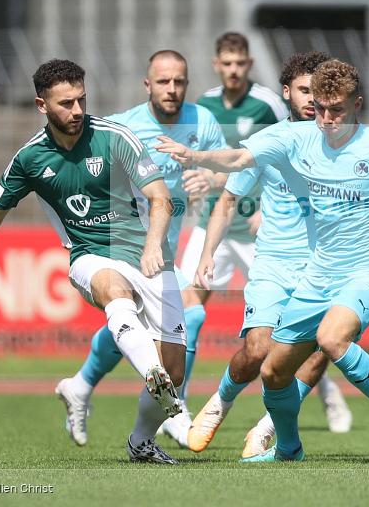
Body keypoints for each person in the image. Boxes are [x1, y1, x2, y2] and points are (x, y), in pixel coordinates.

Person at [157, 59, 369, 462]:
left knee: (331, 340)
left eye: (338, 110)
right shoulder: (297, 138)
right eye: (323, 107)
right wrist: (195, 155)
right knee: (272, 371)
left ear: (358, 105)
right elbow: (240, 160)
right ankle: (288, 448)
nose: (327, 119)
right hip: (319, 273)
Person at [0, 59, 187, 464]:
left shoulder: (115, 137)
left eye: (81, 100)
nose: (77, 111)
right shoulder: (30, 159)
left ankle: (141, 440)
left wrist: (153, 245)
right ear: (42, 105)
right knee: (114, 288)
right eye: (66, 104)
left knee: (178, 368)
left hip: (148, 255)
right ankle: (153, 373)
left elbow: (160, 198)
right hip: (89, 255)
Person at [54, 50, 228, 449]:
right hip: (124, 242)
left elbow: (228, 169)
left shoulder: (203, 121)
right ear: (147, 85)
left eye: (179, 81)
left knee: (131, 323)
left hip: (164, 246)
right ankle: (175, 408)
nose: (172, 88)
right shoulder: (123, 127)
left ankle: (80, 386)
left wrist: (211, 177)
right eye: (163, 81)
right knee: (192, 313)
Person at [187, 51, 353, 458]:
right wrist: (208, 251)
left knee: (321, 351)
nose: (312, 98)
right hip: (276, 265)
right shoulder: (269, 141)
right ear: (287, 93)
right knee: (259, 350)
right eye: (303, 90)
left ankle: (266, 428)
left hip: (327, 268)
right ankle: (221, 401)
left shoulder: (346, 143)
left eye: (319, 90)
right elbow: (228, 200)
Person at [177, 32, 288, 403]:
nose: (234, 70)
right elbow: (198, 157)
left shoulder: (268, 104)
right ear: (216, 65)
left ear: (250, 64)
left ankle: (324, 393)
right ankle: (176, 404)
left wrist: (268, 207)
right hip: (214, 224)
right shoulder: (204, 106)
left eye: (240, 63)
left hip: (257, 230)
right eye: (227, 63)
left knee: (285, 323)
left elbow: (286, 158)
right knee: (186, 311)